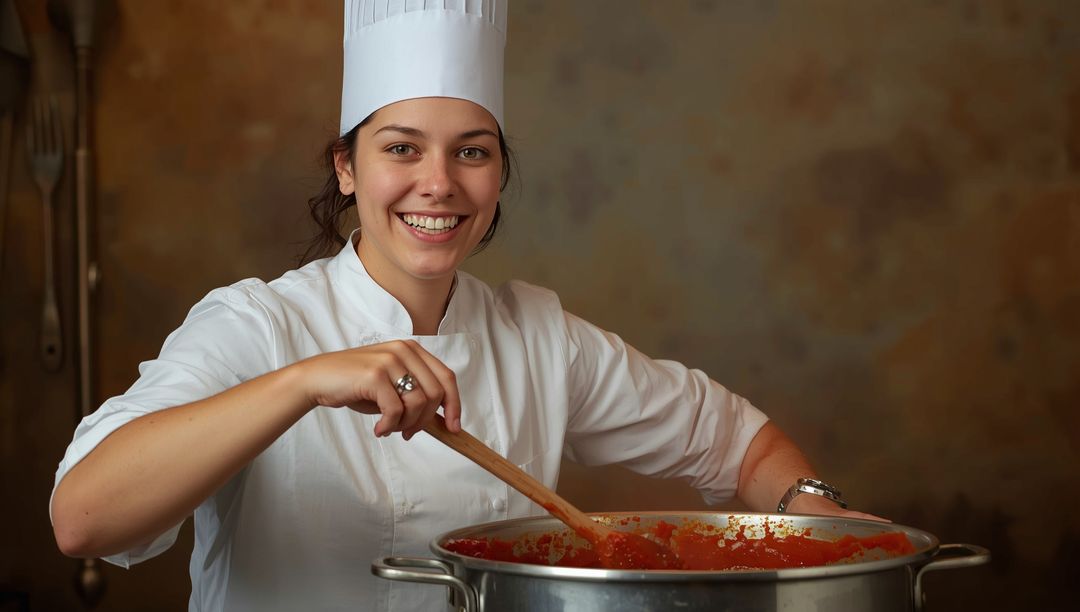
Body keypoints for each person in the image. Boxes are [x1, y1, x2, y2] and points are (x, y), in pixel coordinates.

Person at [50, 2, 877, 610]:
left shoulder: (542, 341)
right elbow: (84, 519)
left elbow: (737, 441)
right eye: (401, 148)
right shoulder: (257, 326)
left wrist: (834, 538)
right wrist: (300, 383)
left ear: (499, 174)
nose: (438, 183)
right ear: (346, 167)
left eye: (471, 153)